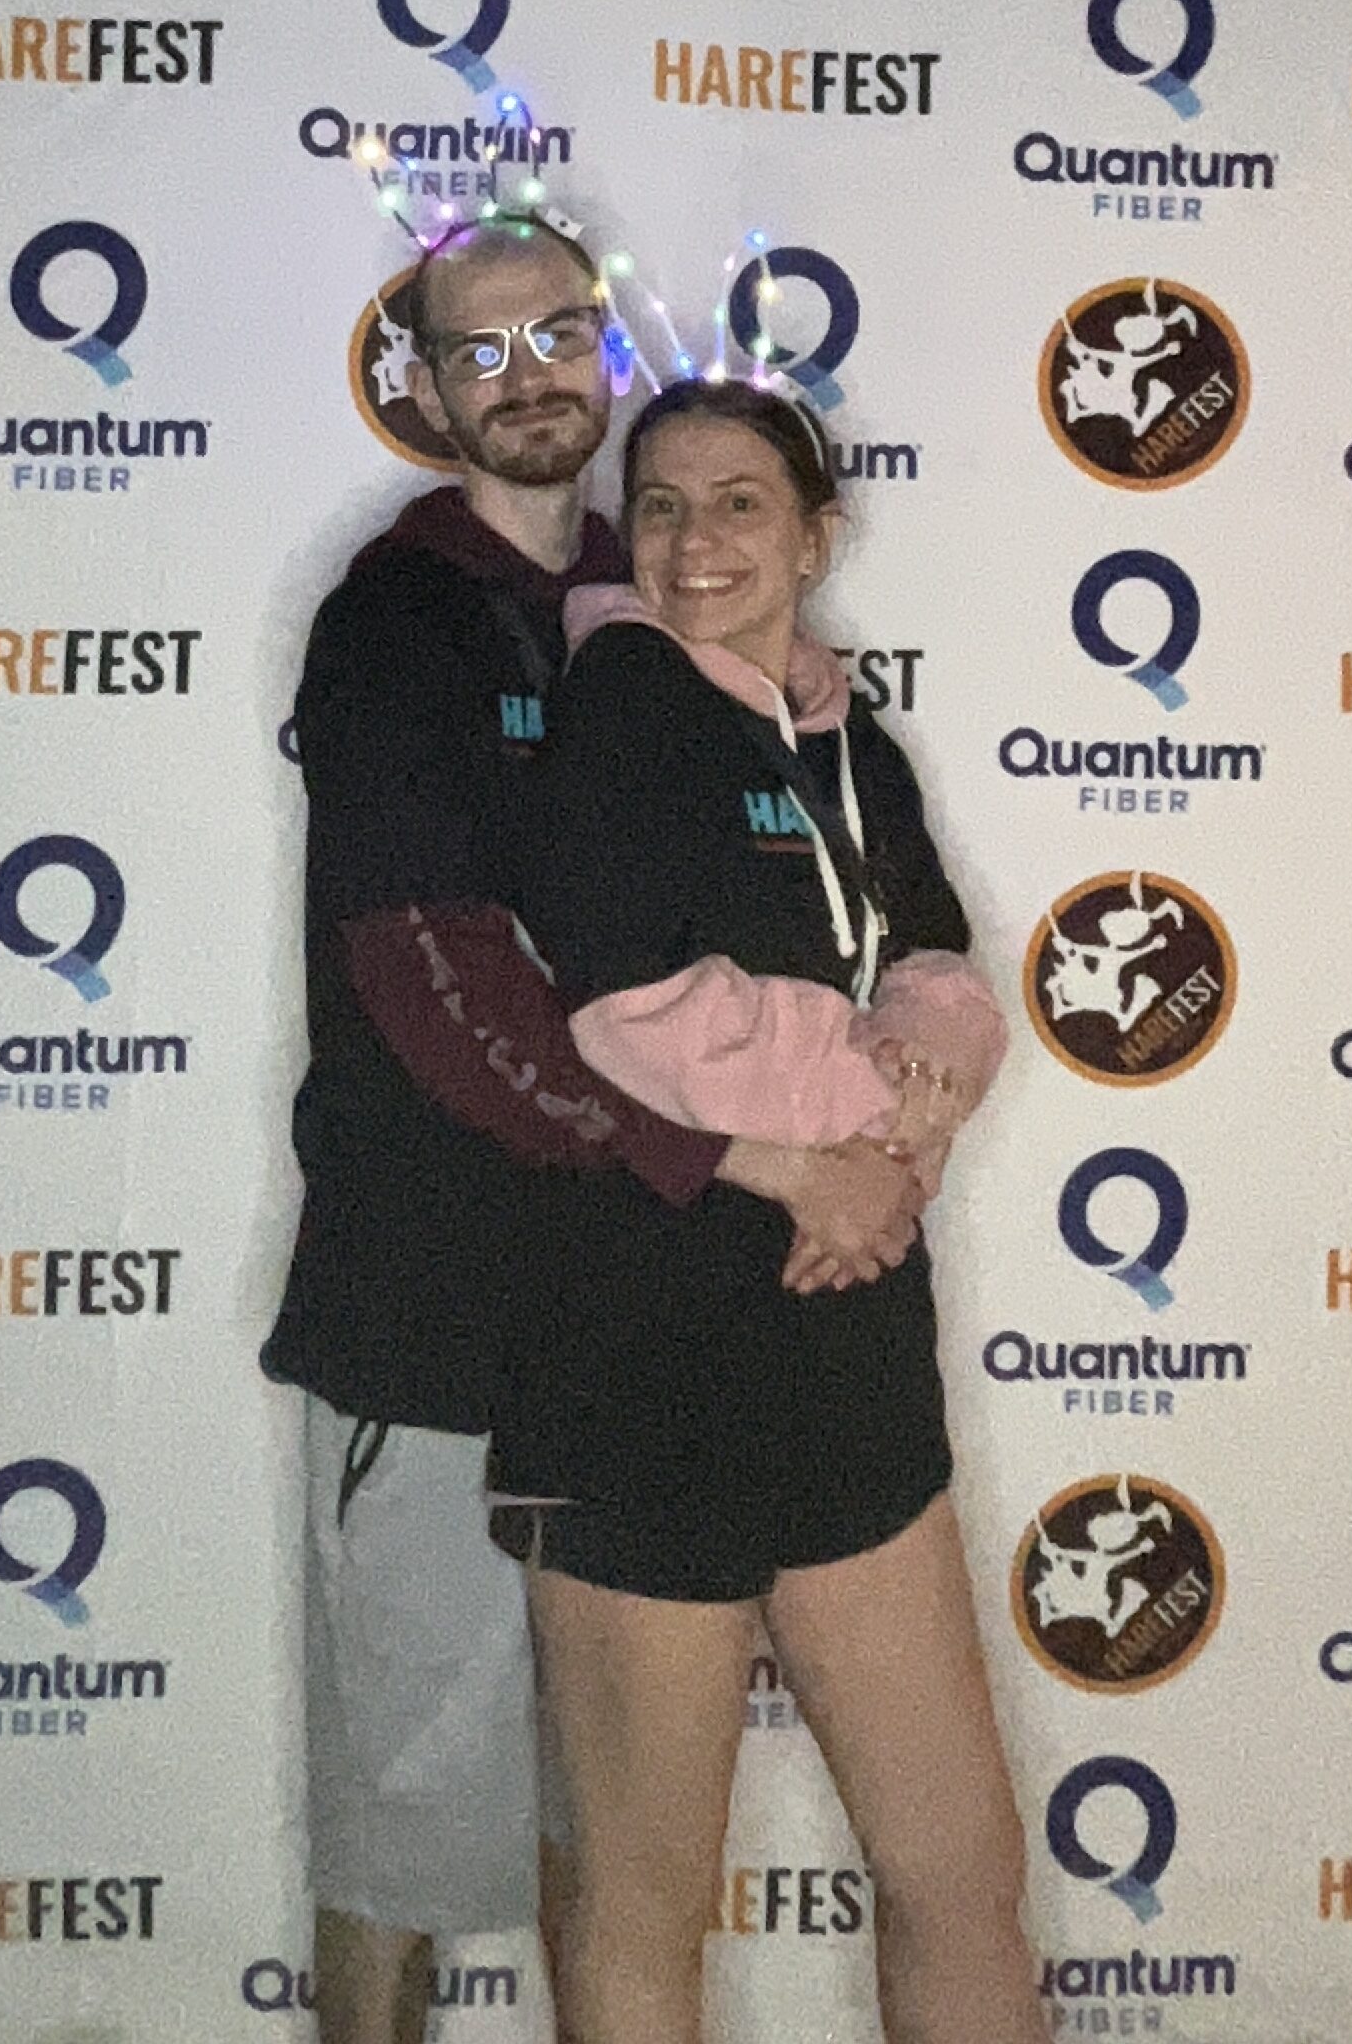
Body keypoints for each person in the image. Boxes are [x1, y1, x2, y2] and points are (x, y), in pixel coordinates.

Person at [261, 215, 929, 2044]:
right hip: (435, 1321)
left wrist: (882, 1115)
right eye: (478, 349)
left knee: (607, 1836)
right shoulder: (400, 620)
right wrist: (746, 1162)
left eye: (559, 332)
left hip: (632, 1330)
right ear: (422, 384)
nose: (529, 374)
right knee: (403, 1828)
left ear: (607, 348)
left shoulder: (668, 621)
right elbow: (442, 989)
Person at [494, 377, 1048, 2044]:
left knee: (962, 1870)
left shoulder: (854, 748)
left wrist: (910, 1130)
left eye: (739, 503)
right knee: (645, 1906)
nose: (693, 541)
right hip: (637, 1362)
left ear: (816, 535)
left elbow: (939, 969)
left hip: (845, 1347)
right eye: (659, 505)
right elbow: (629, 1014)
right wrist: (863, 1121)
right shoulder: (619, 707)